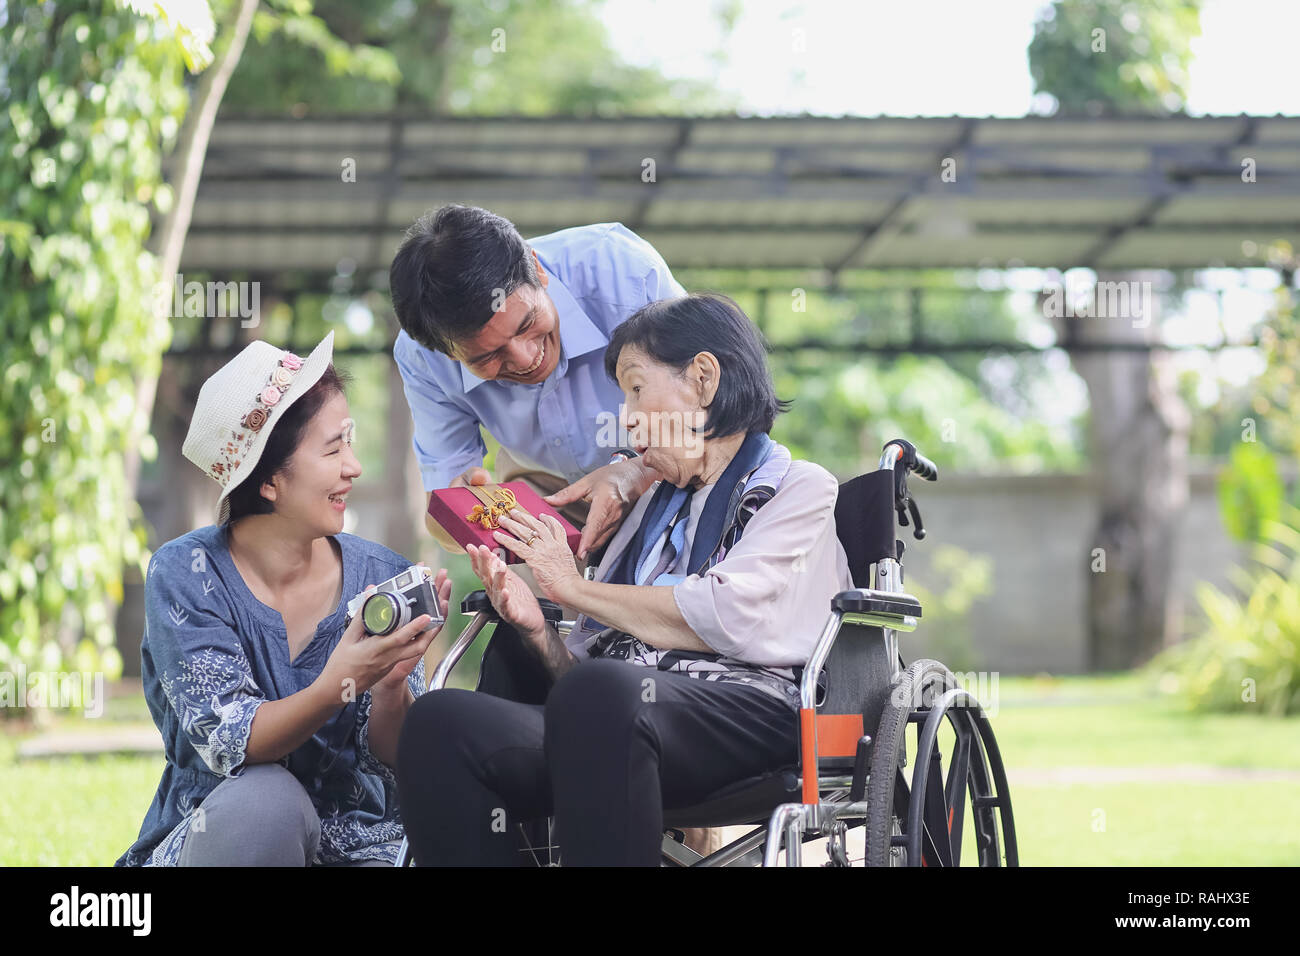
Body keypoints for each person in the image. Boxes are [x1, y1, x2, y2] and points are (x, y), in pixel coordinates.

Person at [395, 294, 855, 866]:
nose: (627, 416)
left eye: (636, 388)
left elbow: (724, 615)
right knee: (440, 724)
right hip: (620, 718)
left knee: (606, 691)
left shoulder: (800, 487)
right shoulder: (647, 508)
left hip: (754, 712)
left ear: (703, 379)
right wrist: (539, 627)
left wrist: (572, 588)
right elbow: (581, 671)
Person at [116, 331, 452, 867]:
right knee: (268, 800)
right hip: (230, 840)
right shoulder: (186, 576)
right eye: (333, 447)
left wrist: (389, 688)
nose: (355, 466)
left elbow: (393, 761)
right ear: (269, 481)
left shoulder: (381, 575)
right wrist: (340, 681)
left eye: (351, 441)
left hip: (361, 850)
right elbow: (236, 743)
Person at [389, 203, 685, 559]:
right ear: (447, 354)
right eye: (488, 356)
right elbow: (438, 518)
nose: (527, 359)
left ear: (538, 270)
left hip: (671, 470)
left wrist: (636, 473)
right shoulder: (423, 357)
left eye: (527, 324)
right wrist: (468, 514)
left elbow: (717, 420)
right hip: (544, 499)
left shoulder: (624, 274)